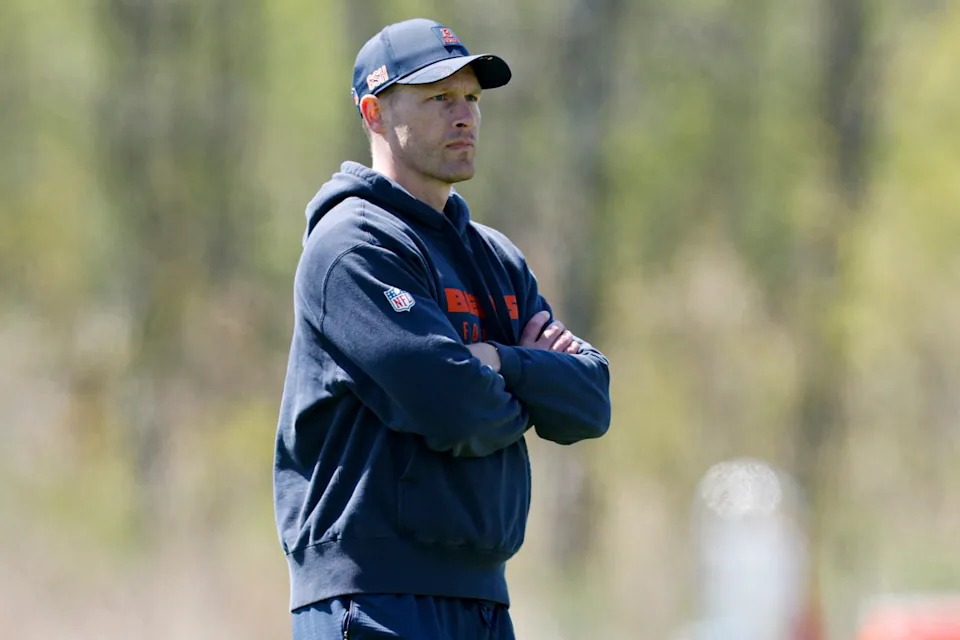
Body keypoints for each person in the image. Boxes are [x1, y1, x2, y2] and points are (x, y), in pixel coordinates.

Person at [273, 17, 612, 640]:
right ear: (374, 113)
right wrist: (525, 389)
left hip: (481, 601)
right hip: (374, 600)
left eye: (472, 99)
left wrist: (499, 362)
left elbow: (590, 402)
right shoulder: (352, 247)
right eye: (438, 98)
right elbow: (455, 407)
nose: (465, 117)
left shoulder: (495, 257)